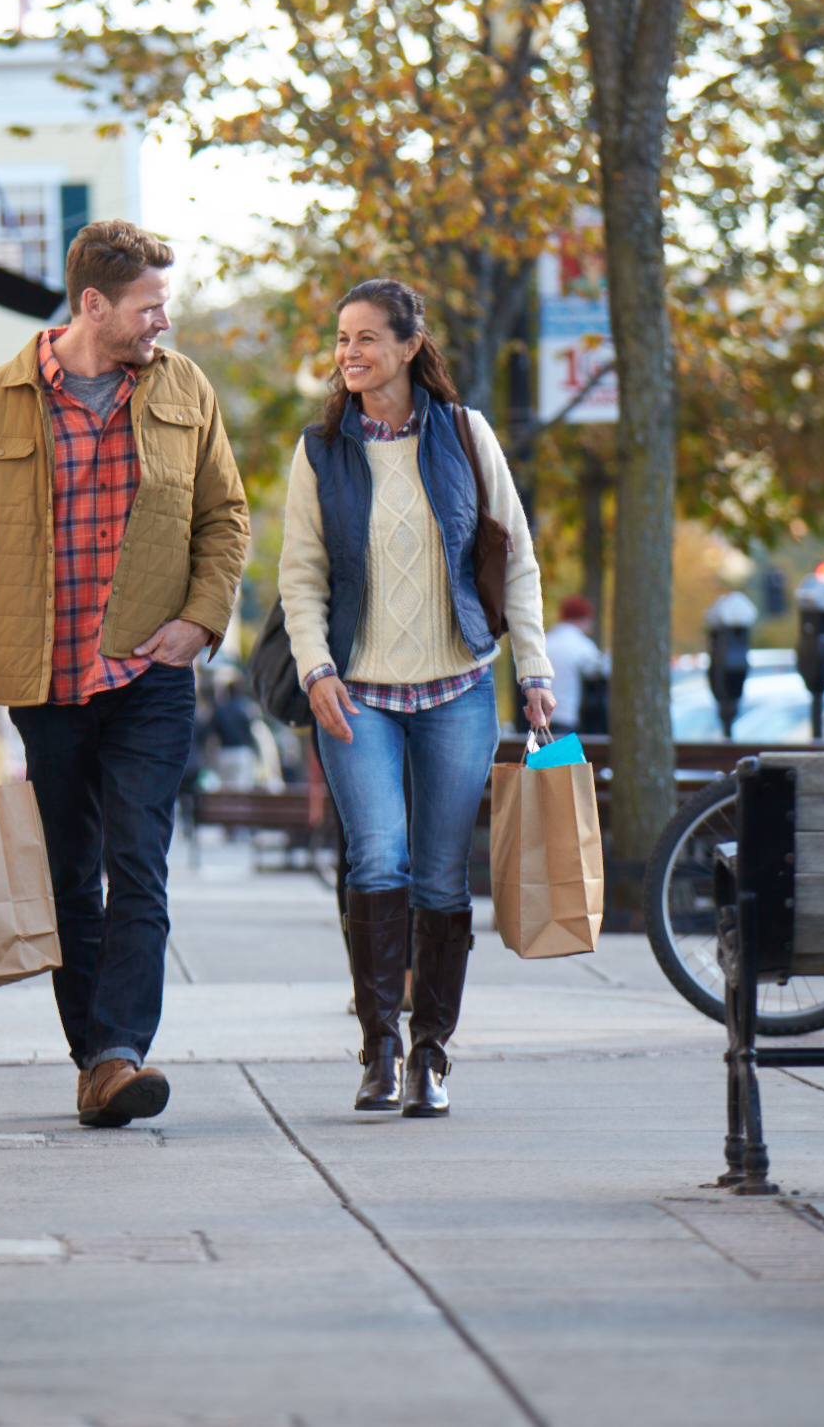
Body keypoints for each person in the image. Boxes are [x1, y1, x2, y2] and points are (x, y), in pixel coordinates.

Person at [0, 219, 250, 1128]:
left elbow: (225, 517)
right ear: (93, 304)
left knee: (136, 862)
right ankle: (95, 1062)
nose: (163, 322)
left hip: (149, 674)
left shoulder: (184, 388)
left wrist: (201, 619)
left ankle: (119, 1052)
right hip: (45, 680)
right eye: (149, 306)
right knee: (71, 877)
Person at [279, 279, 554, 1118]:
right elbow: (301, 576)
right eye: (341, 341)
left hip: (458, 691)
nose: (350, 354)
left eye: (366, 338)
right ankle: (380, 1045)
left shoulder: (466, 434)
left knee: (439, 872)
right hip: (356, 695)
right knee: (376, 859)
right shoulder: (321, 449)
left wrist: (534, 672)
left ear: (407, 345)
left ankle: (432, 1051)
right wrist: (317, 669)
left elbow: (517, 559)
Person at [543, 595, 611, 736]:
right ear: (583, 619)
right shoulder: (581, 645)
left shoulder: (546, 642)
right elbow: (600, 669)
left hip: (541, 714)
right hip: (566, 717)